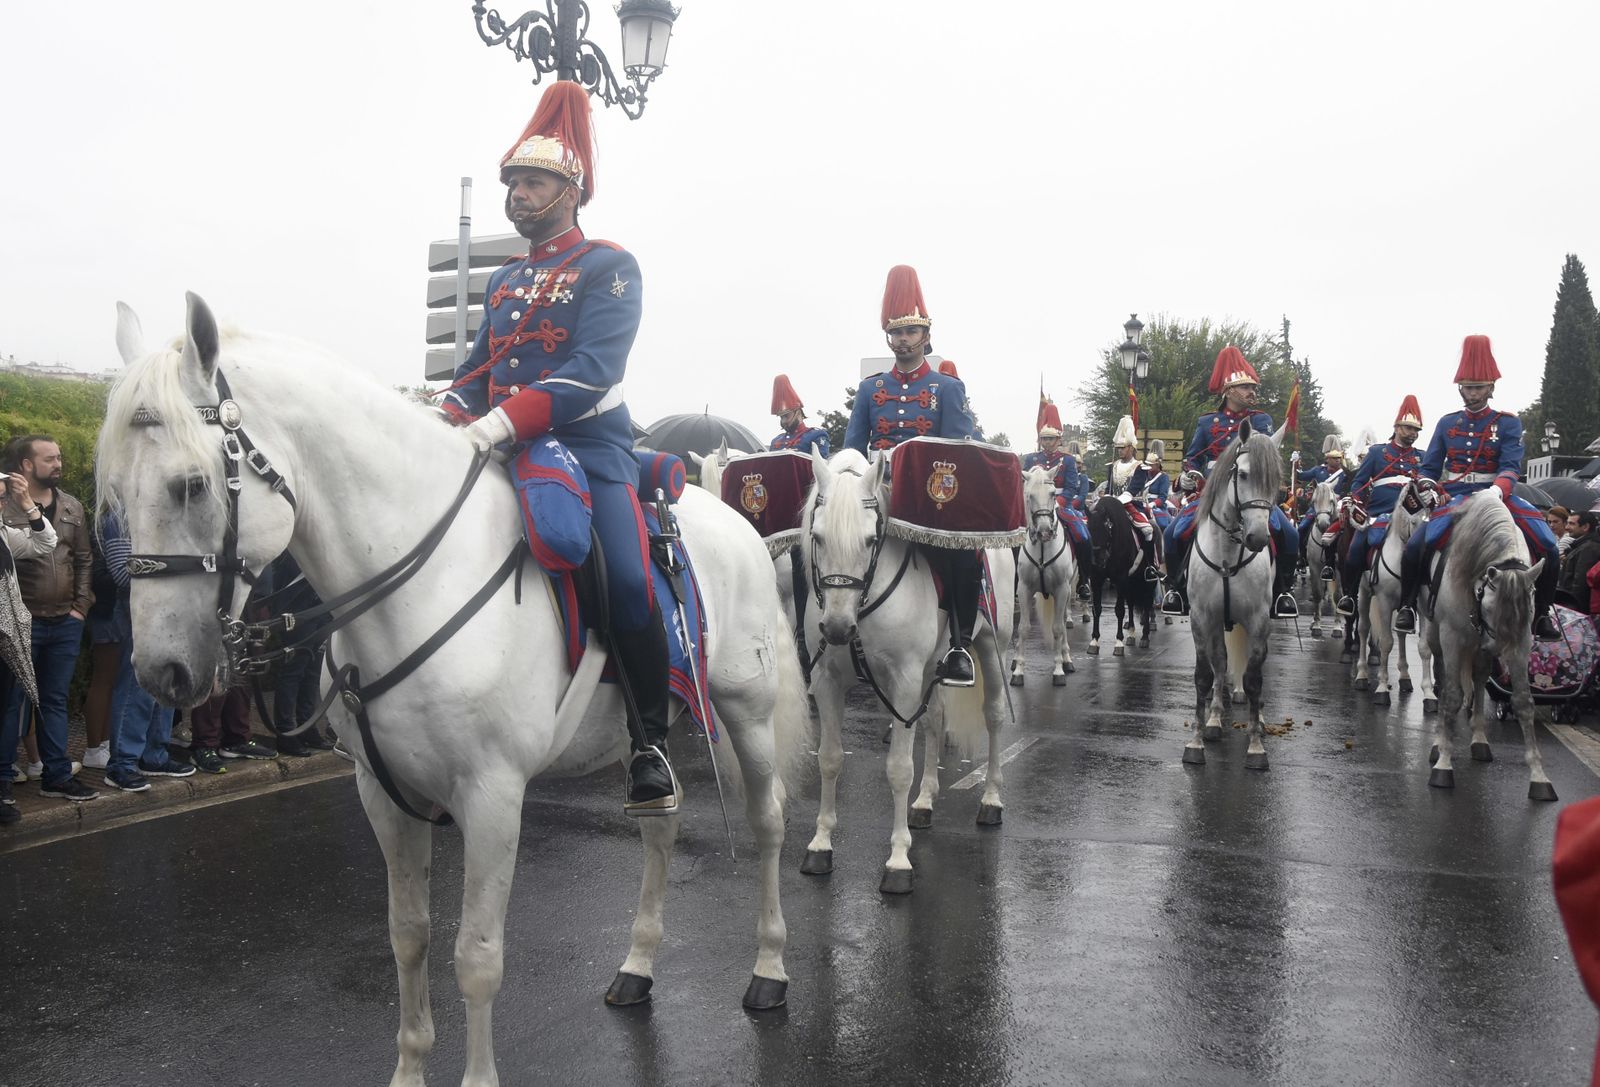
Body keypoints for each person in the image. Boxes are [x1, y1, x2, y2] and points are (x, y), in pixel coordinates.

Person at [438, 82, 676, 816]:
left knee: (630, 584)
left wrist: (504, 423)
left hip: (589, 451)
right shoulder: (506, 280)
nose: (517, 194)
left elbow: (593, 372)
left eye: (531, 181)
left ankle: (650, 741)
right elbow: (476, 373)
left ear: (571, 189)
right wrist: (440, 418)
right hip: (505, 450)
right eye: (512, 182)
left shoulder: (610, 266)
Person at [844, 264, 983, 684]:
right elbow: (853, 447)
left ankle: (958, 644)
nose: (902, 340)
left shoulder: (947, 388)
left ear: (926, 334)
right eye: (896, 333)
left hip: (929, 496)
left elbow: (957, 450)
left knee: (964, 554)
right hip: (878, 490)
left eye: (910, 332)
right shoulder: (870, 389)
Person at [1394, 335, 1561, 640]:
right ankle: (1408, 607)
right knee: (1416, 545)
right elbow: (1430, 467)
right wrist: (1428, 485)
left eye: (1479, 387)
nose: (1472, 393)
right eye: (1468, 387)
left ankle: (1543, 614)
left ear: (1490, 388)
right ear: (1460, 387)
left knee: (1548, 544)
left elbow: (1511, 466)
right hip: (1457, 498)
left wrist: (1498, 489)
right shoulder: (1447, 423)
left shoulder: (1508, 422)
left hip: (1499, 497)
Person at [1160, 347, 1299, 618]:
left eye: (1253, 387)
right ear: (1229, 390)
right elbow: (1192, 459)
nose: (1252, 392)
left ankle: (1283, 590)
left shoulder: (1261, 420)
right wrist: (1190, 473)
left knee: (1290, 535)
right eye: (1246, 387)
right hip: (1213, 495)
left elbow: (1267, 452)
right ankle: (1176, 588)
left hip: (1251, 493)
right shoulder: (1206, 423)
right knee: (1172, 533)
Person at [1, 436, 98, 802]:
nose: (59, 463)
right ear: (26, 465)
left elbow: (85, 559)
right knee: (10, 703)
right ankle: (4, 782)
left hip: (64, 623)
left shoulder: (72, 506)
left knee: (54, 700)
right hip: (19, 623)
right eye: (50, 458)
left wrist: (80, 607)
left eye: (59, 456)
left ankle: (57, 776)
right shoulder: (4, 504)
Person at [96, 510, 195, 790]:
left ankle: (154, 756)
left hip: (170, 607)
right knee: (135, 686)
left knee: (166, 682)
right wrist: (174, 571)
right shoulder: (119, 516)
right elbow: (122, 571)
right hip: (139, 609)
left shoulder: (163, 512)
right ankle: (122, 764)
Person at [1334, 396, 1424, 616]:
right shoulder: (1377, 453)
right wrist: (1356, 500)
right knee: (1355, 550)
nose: (1412, 433)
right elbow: (1358, 482)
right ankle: (1350, 595)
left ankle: (1413, 603)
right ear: (1396, 427)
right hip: (1379, 514)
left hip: (1413, 516)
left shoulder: (1422, 457)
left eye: (1416, 430)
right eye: (1408, 428)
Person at [0, 470, 54, 826]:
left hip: (6, 638)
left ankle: (1, 788)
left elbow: (44, 543)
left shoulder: (4, 534)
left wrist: (27, 505)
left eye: (2, 497)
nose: (0, 502)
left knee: (4, 709)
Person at [1104, 415, 1161, 577]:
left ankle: (1150, 566)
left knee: (1148, 530)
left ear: (1131, 448)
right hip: (1112, 505)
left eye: (1123, 448)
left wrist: (1116, 501)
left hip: (1132, 505)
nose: (1120, 450)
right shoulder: (1112, 466)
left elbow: (1133, 489)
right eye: (1118, 448)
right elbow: (1109, 488)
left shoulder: (1140, 467)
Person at [1294, 434, 1350, 559]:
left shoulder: (1344, 474)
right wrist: (1296, 464)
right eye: (1334, 458)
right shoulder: (1318, 470)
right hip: (1318, 507)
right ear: (1327, 459)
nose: (1337, 460)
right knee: (1302, 528)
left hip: (1337, 507)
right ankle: (1302, 558)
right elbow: (1301, 476)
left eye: (1339, 458)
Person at [768, 375, 830, 456]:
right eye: (781, 417)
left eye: (786, 416)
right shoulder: (775, 441)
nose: (783, 421)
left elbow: (819, 465)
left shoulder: (816, 436)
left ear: (798, 413)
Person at [1560, 511, 1600, 615]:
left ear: (1585, 526)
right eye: (1567, 523)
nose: (1567, 527)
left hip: (1576, 608)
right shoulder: (1581, 545)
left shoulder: (1589, 548)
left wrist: (1573, 611)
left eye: (1572, 524)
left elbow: (1580, 583)